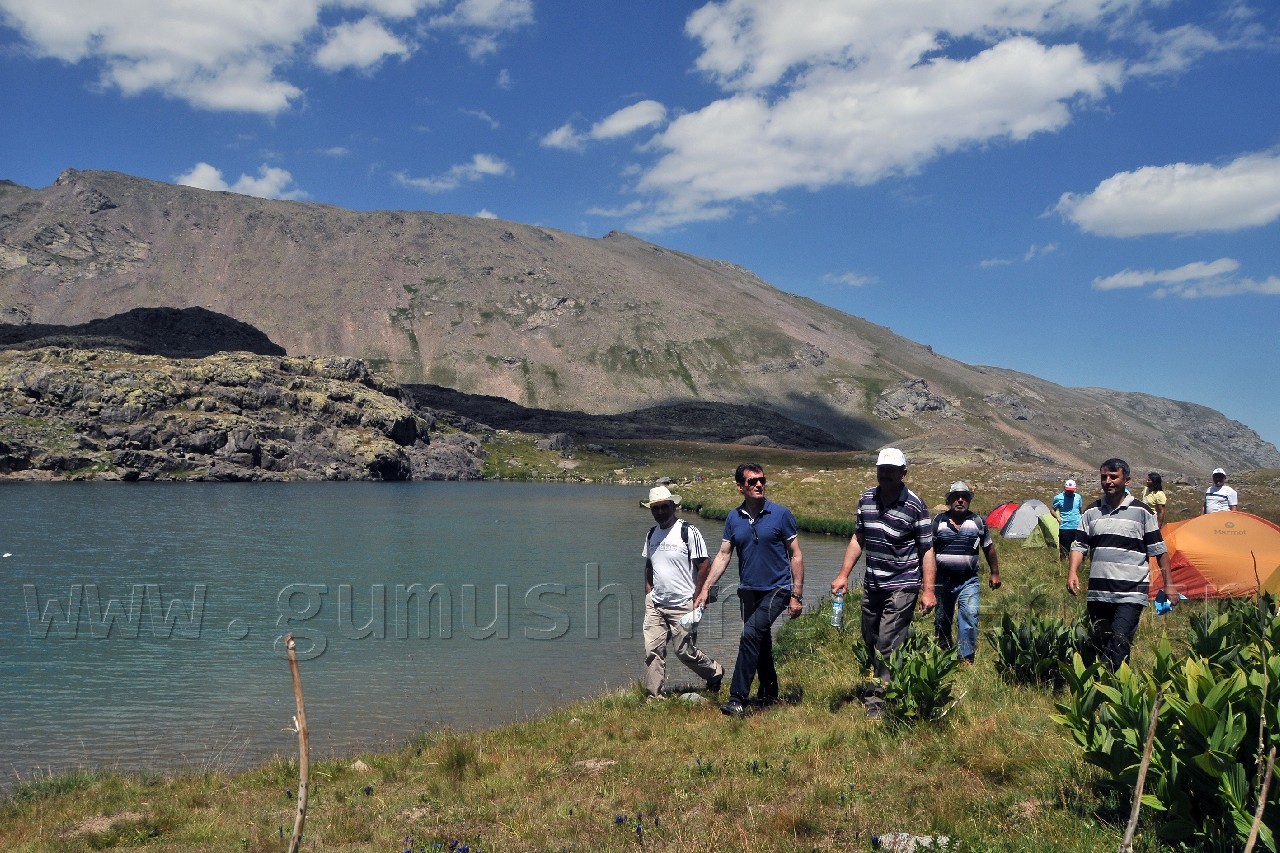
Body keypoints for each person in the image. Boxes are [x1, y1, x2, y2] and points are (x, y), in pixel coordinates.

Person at [831, 448, 936, 719]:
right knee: (870, 636)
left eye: (892, 470)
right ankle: (895, 674)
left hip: (904, 583)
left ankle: (877, 702)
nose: (886, 475)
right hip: (873, 583)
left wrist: (928, 590)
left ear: (904, 472)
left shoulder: (915, 505)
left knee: (887, 642)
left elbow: (926, 550)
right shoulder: (866, 499)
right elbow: (858, 538)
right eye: (882, 469)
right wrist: (843, 575)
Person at [696, 464, 804, 718]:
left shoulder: (780, 514)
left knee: (750, 635)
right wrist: (705, 589)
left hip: (777, 589)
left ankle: (737, 698)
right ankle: (769, 694)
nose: (759, 484)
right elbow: (723, 555)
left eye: (762, 480)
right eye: (752, 481)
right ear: (740, 487)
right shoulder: (734, 518)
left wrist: (796, 595)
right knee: (761, 642)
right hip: (748, 591)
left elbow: (796, 555)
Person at [1067, 458, 1178, 670]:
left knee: (1119, 642)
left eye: (1113, 477)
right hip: (1099, 592)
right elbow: (1079, 545)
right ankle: (1103, 686)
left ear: (1126, 480)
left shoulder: (1142, 512)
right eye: (1104, 477)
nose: (1108, 481)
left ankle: (1112, 689)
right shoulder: (1091, 512)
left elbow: (1159, 551)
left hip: (1131, 592)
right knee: (1101, 642)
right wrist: (1072, 572)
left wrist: (1169, 585)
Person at [640, 485, 724, 699]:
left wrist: (699, 597)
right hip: (656, 605)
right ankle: (654, 697)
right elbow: (649, 565)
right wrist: (649, 593)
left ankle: (714, 673)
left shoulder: (688, 531)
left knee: (684, 651)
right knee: (653, 651)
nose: (660, 512)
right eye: (655, 508)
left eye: (664, 507)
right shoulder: (651, 534)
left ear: (673, 506)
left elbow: (704, 565)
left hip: (685, 604)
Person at [931, 481, 1000, 663]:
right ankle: (944, 653)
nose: (960, 500)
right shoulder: (938, 522)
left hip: (968, 580)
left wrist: (995, 573)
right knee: (942, 620)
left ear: (969, 500)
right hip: (942, 580)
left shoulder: (978, 522)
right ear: (949, 500)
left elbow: (989, 548)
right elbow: (927, 552)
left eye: (964, 497)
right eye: (956, 497)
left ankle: (966, 657)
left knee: (969, 615)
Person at [1051, 479, 1083, 561]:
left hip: (1077, 526)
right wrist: (1058, 518)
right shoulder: (1058, 498)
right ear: (1064, 488)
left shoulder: (1078, 497)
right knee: (1064, 550)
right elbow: (1052, 510)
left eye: (1072, 491)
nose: (1070, 492)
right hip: (1065, 527)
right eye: (1068, 491)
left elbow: (1080, 509)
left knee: (1080, 549)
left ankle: (1079, 565)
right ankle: (1064, 566)